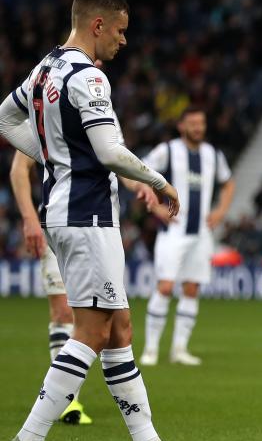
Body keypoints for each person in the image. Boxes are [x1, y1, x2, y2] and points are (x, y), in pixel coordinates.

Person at [0, 0, 210, 441]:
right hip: (86, 213)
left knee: (119, 329)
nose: (123, 41)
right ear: (97, 25)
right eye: (119, 31)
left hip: (73, 210)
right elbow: (112, 153)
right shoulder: (89, 79)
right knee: (92, 331)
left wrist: (53, 157)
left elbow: (5, 118)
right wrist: (160, 183)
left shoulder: (45, 68)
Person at [11, 149, 163, 424]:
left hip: (100, 225)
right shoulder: (46, 108)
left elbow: (116, 158)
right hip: (65, 219)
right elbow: (19, 167)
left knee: (117, 327)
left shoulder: (102, 113)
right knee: (68, 316)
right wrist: (28, 217)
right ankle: (61, 408)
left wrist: (140, 184)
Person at [139, 107, 235, 366]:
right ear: (181, 126)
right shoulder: (167, 150)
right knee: (166, 286)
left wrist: (221, 211)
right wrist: (157, 207)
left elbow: (228, 183)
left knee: (191, 288)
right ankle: (150, 349)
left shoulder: (213, 155)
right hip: (173, 230)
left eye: (201, 123)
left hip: (201, 232)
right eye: (192, 123)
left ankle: (179, 349)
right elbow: (140, 172)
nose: (198, 128)